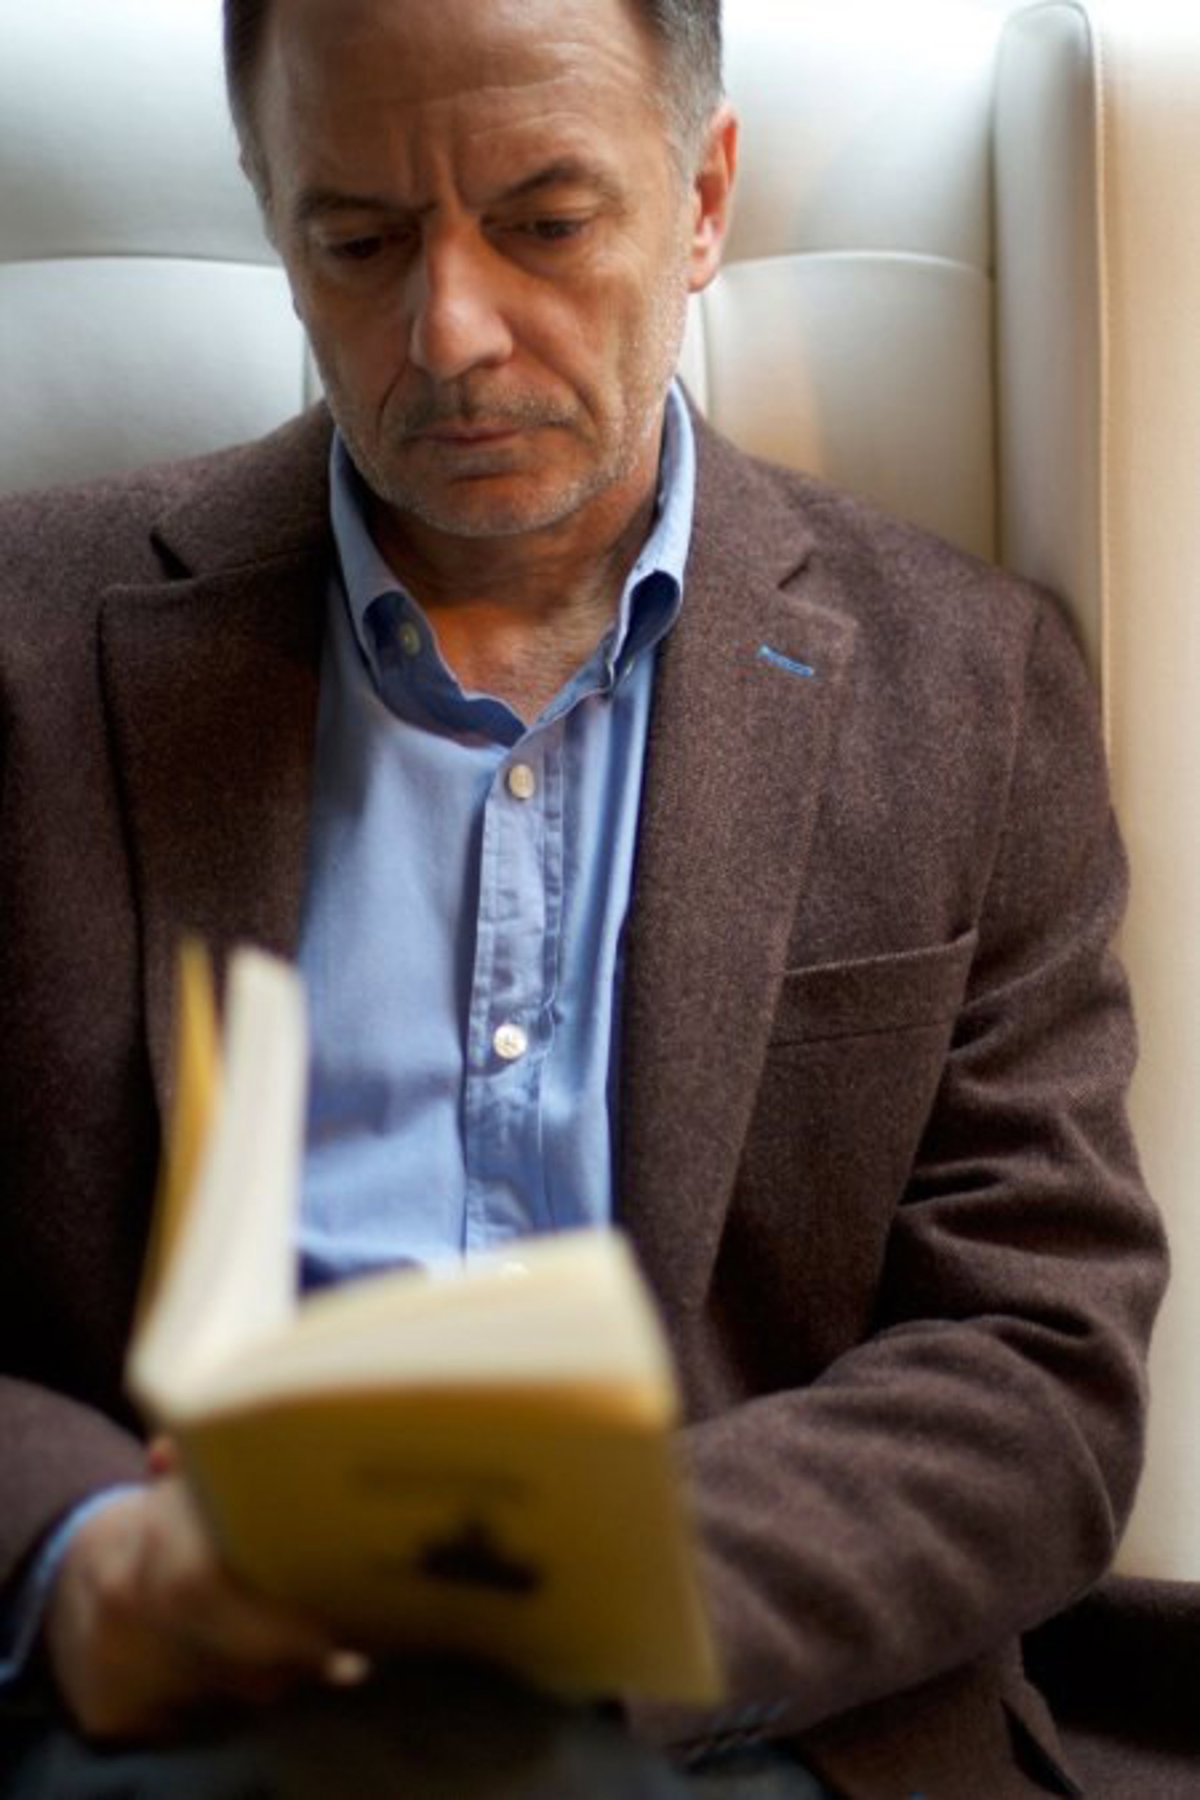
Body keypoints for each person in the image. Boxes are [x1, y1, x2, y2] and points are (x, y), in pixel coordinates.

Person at [0, 0, 1167, 1794]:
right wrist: (79, 1554)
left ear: (702, 200)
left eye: (544, 224)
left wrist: (578, 1598)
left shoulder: (969, 688)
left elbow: (1038, 1362)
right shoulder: (24, 649)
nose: (452, 332)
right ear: (272, 216)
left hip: (736, 1714)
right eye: (361, 241)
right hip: (173, 1721)